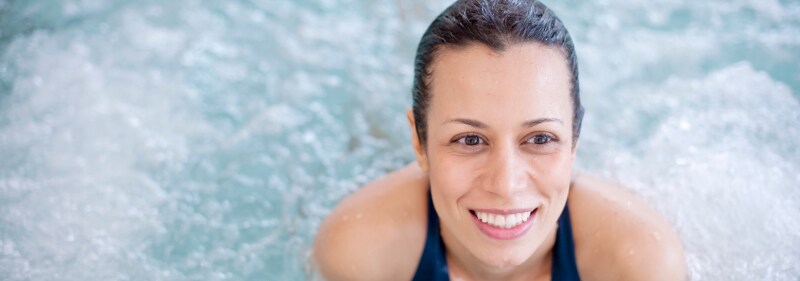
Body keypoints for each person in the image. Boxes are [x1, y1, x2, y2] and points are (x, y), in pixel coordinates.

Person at [313, 0, 686, 280]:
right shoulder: (359, 253)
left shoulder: (638, 263)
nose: (506, 185)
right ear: (418, 141)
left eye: (540, 138)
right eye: (470, 140)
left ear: (575, 141)